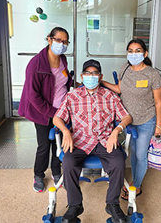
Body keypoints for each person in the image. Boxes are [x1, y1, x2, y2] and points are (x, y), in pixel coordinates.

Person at [53, 59, 132, 223]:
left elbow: (127, 116)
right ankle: (75, 205)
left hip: (105, 140)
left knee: (118, 162)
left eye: (95, 73)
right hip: (80, 141)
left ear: (100, 76)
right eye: (87, 73)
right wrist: (66, 131)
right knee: (68, 163)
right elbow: (57, 118)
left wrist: (117, 130)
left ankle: (112, 204)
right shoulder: (72, 96)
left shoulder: (110, 96)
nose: (91, 76)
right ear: (82, 76)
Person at [101, 39, 161, 200]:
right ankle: (134, 180)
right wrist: (102, 82)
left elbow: (158, 102)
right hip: (127, 120)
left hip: (145, 120)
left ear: (145, 53)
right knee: (132, 152)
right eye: (130, 50)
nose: (133, 54)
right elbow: (119, 89)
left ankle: (136, 185)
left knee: (140, 154)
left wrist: (158, 125)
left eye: (137, 50)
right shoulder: (125, 68)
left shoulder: (153, 74)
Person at [18, 27, 73, 193]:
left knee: (59, 144)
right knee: (44, 145)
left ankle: (57, 172)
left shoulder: (63, 59)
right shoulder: (36, 64)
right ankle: (39, 175)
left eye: (65, 42)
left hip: (62, 110)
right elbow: (32, 96)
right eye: (58, 40)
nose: (61, 45)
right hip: (42, 111)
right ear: (49, 39)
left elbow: (64, 81)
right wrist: (52, 113)